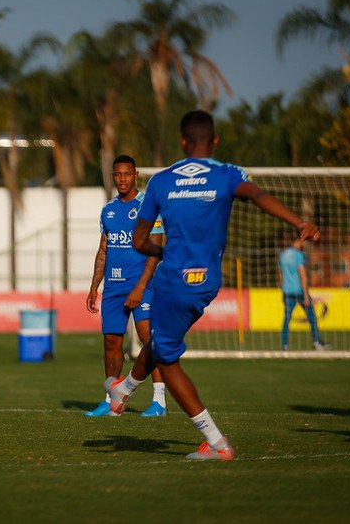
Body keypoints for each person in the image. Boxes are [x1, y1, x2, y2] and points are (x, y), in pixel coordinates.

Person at [106, 110, 320, 460]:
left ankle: (216, 443)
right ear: (215, 140)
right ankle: (125, 389)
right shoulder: (227, 174)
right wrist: (299, 223)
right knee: (163, 342)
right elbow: (259, 196)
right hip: (208, 283)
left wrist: (164, 249)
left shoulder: (161, 181)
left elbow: (139, 241)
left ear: (182, 142)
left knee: (166, 358)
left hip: (173, 281)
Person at [85, 154, 168, 418]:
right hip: (113, 287)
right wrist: (94, 286)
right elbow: (103, 251)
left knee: (149, 339)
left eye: (126, 174)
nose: (122, 179)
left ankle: (159, 401)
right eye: (117, 175)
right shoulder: (108, 210)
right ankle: (112, 400)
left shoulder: (148, 207)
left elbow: (157, 249)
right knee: (111, 342)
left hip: (143, 284)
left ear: (136, 175)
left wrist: (139, 287)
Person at [279, 237, 329, 351]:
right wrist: (306, 295)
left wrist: (283, 290)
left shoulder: (283, 255)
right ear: (301, 241)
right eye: (306, 242)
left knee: (286, 319)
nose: (306, 245)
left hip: (287, 291)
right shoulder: (298, 255)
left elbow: (281, 275)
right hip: (299, 291)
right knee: (312, 317)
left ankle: (284, 345)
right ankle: (317, 342)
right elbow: (302, 275)